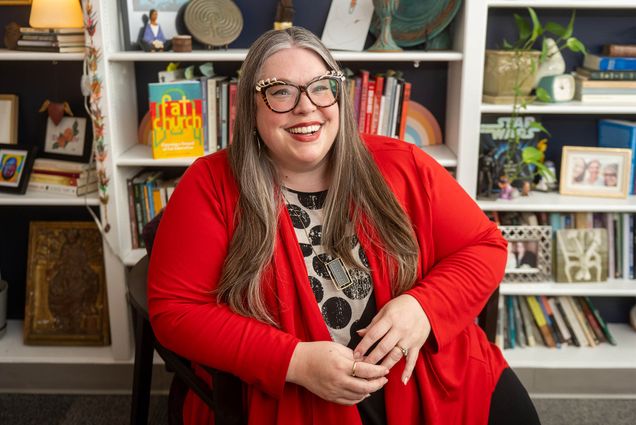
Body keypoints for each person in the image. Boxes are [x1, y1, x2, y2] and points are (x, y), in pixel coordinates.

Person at [148, 27, 540, 425]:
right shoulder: (209, 184)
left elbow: (484, 246)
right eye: (281, 91)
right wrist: (294, 362)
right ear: (251, 108)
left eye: (321, 87)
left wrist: (424, 306)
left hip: (427, 368)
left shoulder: (402, 163)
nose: (307, 108)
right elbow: (175, 312)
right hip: (296, 391)